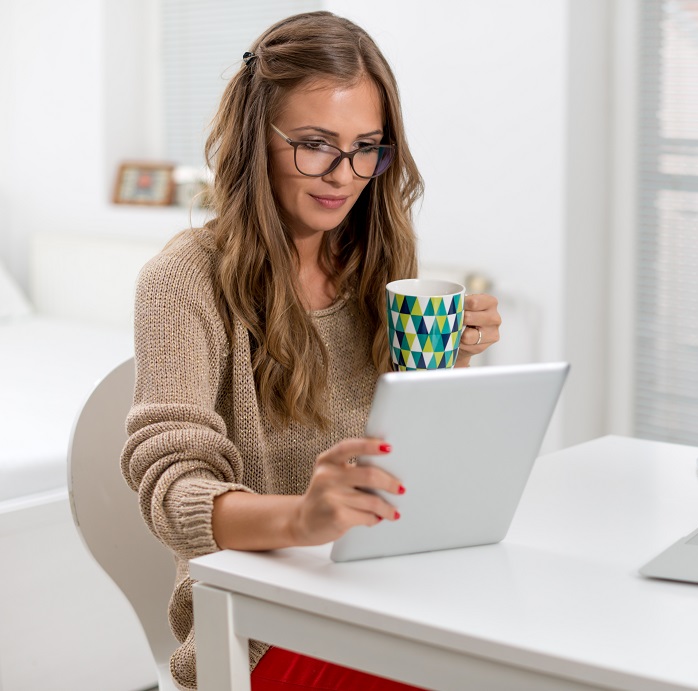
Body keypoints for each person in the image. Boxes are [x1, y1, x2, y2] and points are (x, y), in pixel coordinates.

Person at [121, 11, 501, 691]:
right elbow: (170, 490)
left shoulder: (379, 263)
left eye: (367, 147)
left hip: (386, 596)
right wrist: (304, 517)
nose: (344, 175)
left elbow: (407, 459)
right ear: (254, 139)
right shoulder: (184, 279)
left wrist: (456, 364)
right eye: (315, 143)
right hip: (263, 630)